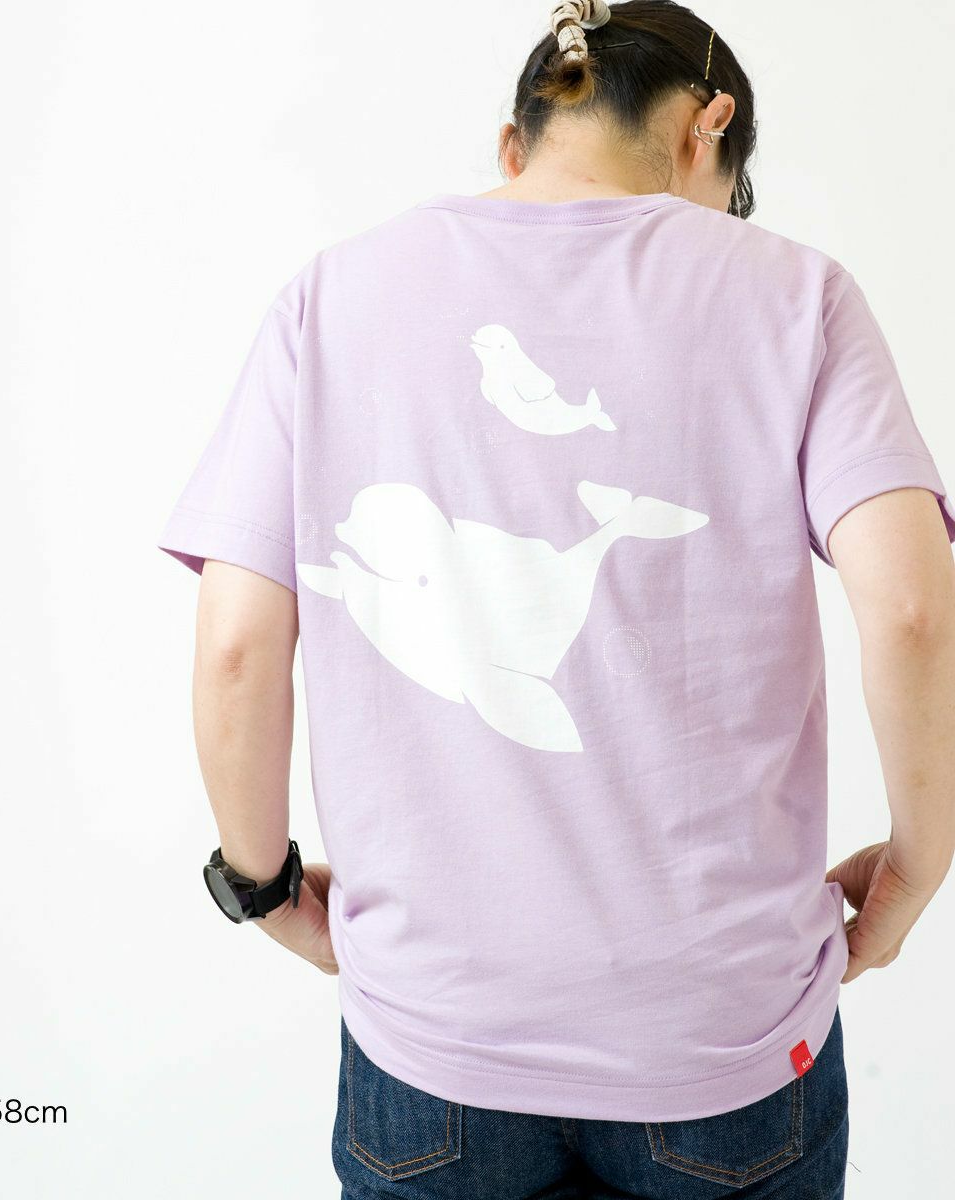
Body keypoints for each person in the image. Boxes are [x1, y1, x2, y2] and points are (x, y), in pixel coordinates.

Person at [158, 2, 955, 1195]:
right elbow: (913, 611)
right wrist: (914, 872)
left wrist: (262, 885)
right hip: (726, 1043)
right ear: (707, 128)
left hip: (432, 1044)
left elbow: (236, 643)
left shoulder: (331, 297)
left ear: (514, 144)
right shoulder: (800, 295)